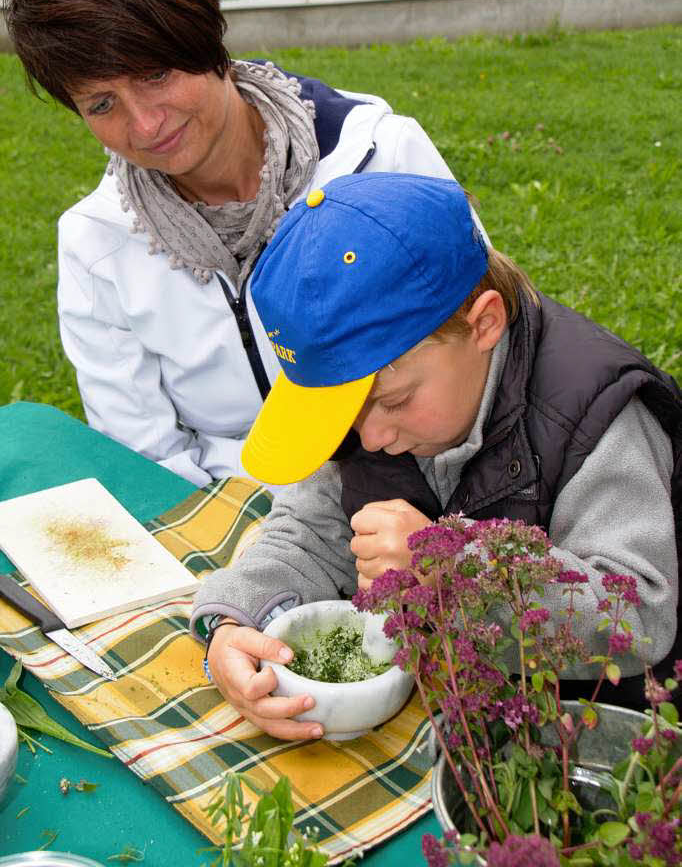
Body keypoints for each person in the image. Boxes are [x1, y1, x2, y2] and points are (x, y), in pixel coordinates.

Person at [190, 171, 681, 741]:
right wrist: (236, 623)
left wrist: (455, 573)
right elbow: (308, 529)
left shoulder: (598, 415)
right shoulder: (369, 413)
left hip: (597, 730)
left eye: (395, 401)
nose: (369, 439)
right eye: (343, 417)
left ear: (484, 324)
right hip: (454, 709)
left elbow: (641, 615)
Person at [3, 0, 476, 487]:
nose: (146, 125)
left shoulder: (382, 157)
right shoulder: (94, 244)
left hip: (422, 499)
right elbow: (150, 463)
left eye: (156, 74)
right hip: (234, 525)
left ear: (205, 35)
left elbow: (484, 362)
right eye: (102, 104)